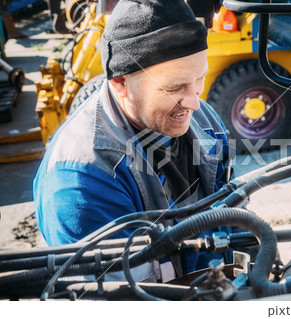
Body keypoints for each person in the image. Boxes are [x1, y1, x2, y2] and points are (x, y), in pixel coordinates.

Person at [33, 0, 233, 283]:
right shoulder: (81, 182)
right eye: (175, 87)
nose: (193, 102)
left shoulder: (205, 121)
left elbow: (237, 220)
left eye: (199, 79)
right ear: (121, 83)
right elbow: (127, 298)